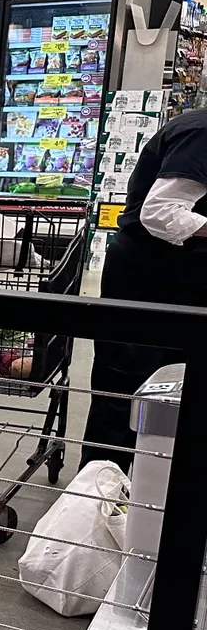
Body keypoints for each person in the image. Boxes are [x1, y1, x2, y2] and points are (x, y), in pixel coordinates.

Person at [81, 108, 207, 467]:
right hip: (148, 284)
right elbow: (161, 212)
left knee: (169, 394)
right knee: (123, 394)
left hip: (180, 284)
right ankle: (99, 497)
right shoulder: (202, 134)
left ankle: (149, 495)